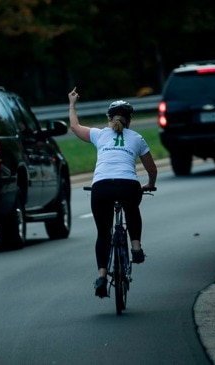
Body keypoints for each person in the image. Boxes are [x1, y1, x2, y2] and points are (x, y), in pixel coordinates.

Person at [67, 87, 157, 298]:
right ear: (130, 120)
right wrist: (150, 184)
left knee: (103, 233)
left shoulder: (99, 134)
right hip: (128, 185)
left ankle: (101, 275)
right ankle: (135, 247)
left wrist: (72, 103)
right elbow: (151, 169)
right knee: (132, 209)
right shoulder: (137, 138)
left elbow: (74, 126)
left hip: (101, 187)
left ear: (109, 118)